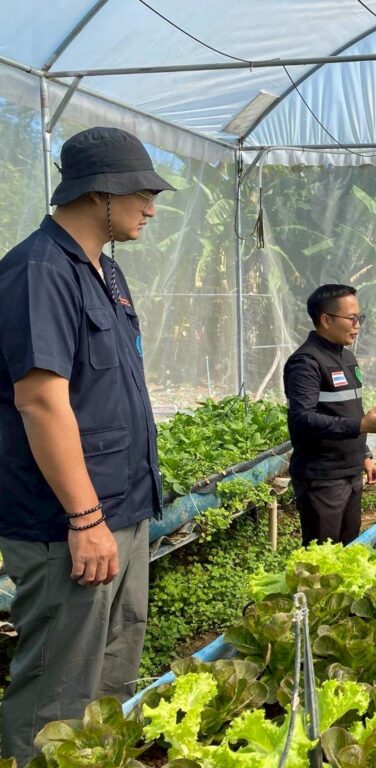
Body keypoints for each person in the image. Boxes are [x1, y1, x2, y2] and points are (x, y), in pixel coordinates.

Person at [0, 126, 173, 763]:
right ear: (102, 193)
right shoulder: (39, 271)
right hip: (69, 523)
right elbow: (40, 401)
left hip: (122, 508)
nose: (150, 209)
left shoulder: (106, 270)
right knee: (56, 693)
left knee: (110, 674)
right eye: (143, 195)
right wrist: (85, 518)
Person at [284, 284, 376, 546]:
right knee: (322, 557)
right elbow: (302, 419)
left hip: (350, 473)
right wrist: (360, 425)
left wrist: (364, 456)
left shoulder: (347, 358)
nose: (358, 325)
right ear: (326, 320)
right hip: (322, 478)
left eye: (360, 317)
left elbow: (348, 411)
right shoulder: (306, 362)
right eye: (351, 318)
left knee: (348, 549)